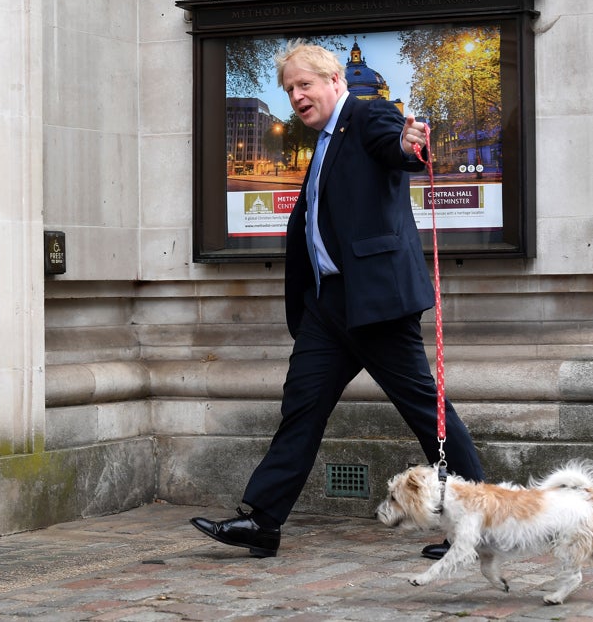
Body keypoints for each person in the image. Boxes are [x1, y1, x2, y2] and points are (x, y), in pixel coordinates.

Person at [190, 39, 484, 559]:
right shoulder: (323, 140)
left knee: (425, 411)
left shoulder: (367, 116)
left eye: (304, 84)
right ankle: (262, 521)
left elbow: (399, 147)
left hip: (375, 302)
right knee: (300, 410)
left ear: (334, 82)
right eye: (289, 89)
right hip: (327, 308)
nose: (297, 96)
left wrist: (412, 142)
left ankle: (476, 523)